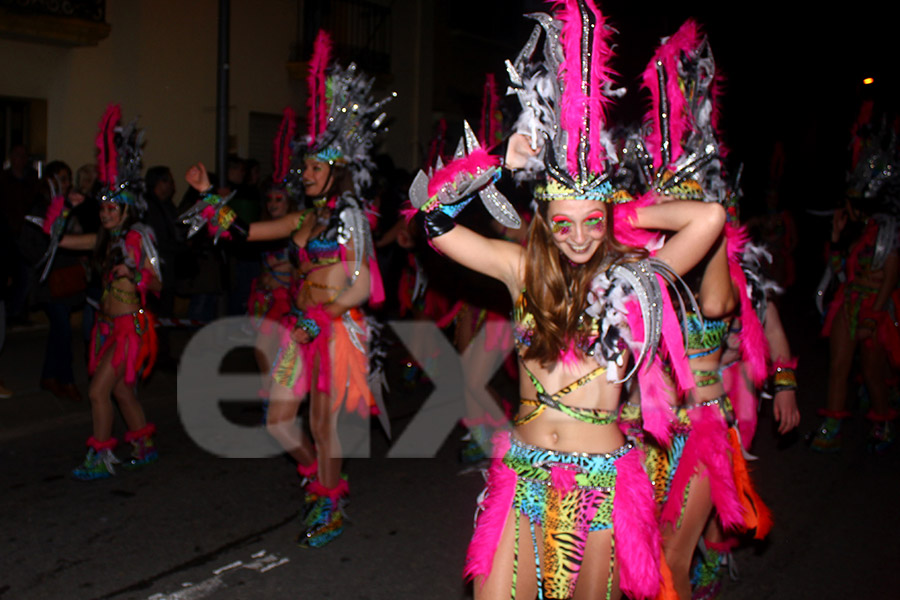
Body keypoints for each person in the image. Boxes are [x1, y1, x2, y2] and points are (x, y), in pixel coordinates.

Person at [414, 4, 725, 598]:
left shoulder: (637, 276)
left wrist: (623, 210)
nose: (579, 237)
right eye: (564, 223)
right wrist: (499, 162)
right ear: (544, 222)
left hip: (603, 483)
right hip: (524, 470)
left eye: (591, 222)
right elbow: (433, 224)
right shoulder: (520, 268)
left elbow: (709, 217)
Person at [182, 29, 391, 548]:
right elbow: (243, 233)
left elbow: (363, 285)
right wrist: (210, 196)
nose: (308, 174)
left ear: (336, 171)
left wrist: (326, 313)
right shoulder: (303, 218)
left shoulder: (351, 219)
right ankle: (317, 483)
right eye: (307, 167)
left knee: (323, 425)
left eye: (316, 168)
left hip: (335, 329)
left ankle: (329, 500)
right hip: (300, 329)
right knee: (278, 420)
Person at [50, 106, 161, 480]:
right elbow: (59, 240)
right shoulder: (103, 239)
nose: (105, 213)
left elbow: (158, 283)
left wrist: (135, 272)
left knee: (99, 392)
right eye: (102, 207)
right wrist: (66, 206)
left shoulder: (139, 237)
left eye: (111, 207)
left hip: (130, 328)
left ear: (126, 209)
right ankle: (144, 447)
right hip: (107, 326)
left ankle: (100, 457)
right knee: (123, 392)